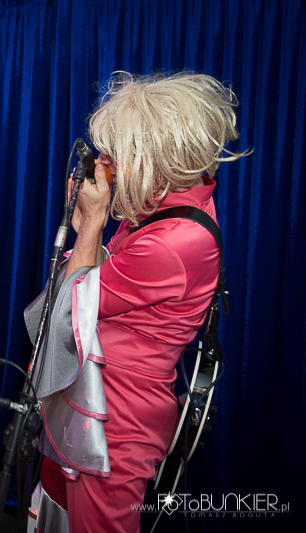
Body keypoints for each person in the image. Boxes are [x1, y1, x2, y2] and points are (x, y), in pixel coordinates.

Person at [27, 72, 249, 532]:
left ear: (157, 157)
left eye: (116, 154)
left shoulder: (174, 239)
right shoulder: (156, 211)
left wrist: (92, 222)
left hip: (116, 422)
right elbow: (92, 288)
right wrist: (93, 226)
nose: (103, 163)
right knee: (55, 511)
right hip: (86, 397)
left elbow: (72, 308)